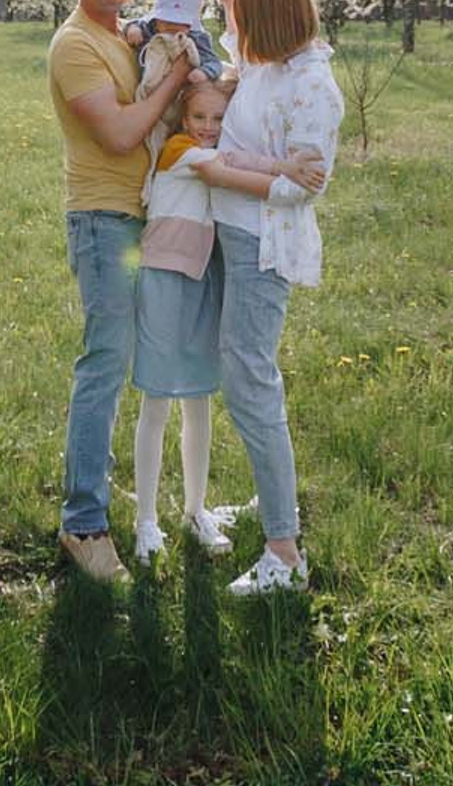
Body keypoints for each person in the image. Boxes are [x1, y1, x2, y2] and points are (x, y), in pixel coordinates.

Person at [47, 0, 195, 583]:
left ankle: (154, 505)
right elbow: (118, 133)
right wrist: (179, 81)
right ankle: (84, 524)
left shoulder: (124, 36)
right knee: (105, 364)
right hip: (104, 221)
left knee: (145, 358)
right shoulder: (75, 44)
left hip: (146, 215)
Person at [192, 0, 342, 596]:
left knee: (250, 378)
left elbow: (300, 188)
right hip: (232, 234)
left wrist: (221, 171)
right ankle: (271, 501)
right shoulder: (272, 64)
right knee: (244, 373)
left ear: (271, 23)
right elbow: (247, 62)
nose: (239, 34)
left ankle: (285, 551)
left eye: (247, 21)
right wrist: (230, 1)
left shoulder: (312, 86)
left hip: (263, 244)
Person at [130, 75, 323, 562]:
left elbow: (232, 154)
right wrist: (286, 171)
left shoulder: (203, 145)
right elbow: (230, 164)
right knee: (157, 398)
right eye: (199, 117)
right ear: (182, 118)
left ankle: (196, 510)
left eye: (218, 119)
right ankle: (146, 520)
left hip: (203, 274)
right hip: (164, 275)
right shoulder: (179, 150)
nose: (209, 127)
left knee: (198, 398)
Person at [122, 0, 226, 82]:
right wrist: (132, 29)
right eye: (167, 21)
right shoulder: (148, 29)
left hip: (181, 86)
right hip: (148, 82)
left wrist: (204, 72)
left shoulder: (196, 38)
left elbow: (215, 63)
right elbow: (135, 23)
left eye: (181, 23)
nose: (173, 26)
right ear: (156, 19)